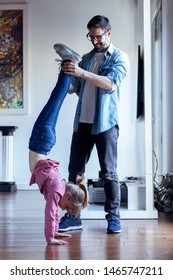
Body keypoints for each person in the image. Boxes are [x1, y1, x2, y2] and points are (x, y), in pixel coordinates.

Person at [57, 15, 129, 234]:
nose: (94, 41)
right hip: (82, 123)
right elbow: (74, 88)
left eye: (98, 36)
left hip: (105, 124)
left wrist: (81, 72)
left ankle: (113, 218)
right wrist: (67, 74)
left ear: (109, 33)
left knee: (109, 173)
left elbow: (109, 84)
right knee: (75, 172)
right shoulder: (86, 58)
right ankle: (74, 216)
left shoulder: (119, 57)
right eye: (91, 36)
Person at [28, 45, 88, 245]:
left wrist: (55, 232)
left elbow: (53, 214)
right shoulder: (56, 189)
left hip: (44, 140)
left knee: (57, 98)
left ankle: (68, 65)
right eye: (68, 207)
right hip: (41, 140)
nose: (64, 209)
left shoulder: (60, 187)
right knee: (57, 98)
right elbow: (51, 212)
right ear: (68, 195)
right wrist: (50, 238)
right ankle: (68, 63)